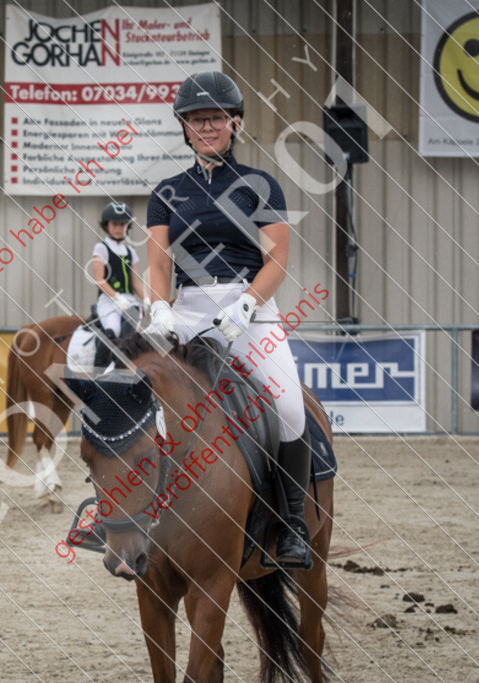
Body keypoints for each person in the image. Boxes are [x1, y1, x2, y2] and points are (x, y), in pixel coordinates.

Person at [143, 71, 311, 569]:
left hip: (250, 308)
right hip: (188, 308)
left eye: (215, 118)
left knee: (287, 406)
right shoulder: (167, 192)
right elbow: (156, 263)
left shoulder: (260, 185)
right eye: (196, 120)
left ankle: (293, 523)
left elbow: (278, 258)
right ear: (184, 127)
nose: (206, 127)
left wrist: (249, 303)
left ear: (234, 122)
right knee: (138, 398)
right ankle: (131, 513)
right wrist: (158, 306)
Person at [91, 201, 145, 338]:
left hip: (129, 302)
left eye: (122, 224)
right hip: (109, 302)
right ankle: (101, 361)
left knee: (135, 334)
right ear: (107, 225)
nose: (118, 228)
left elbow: (136, 283)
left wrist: (147, 300)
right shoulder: (101, 248)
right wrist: (117, 297)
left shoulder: (130, 251)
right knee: (113, 331)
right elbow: (99, 279)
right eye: (114, 224)